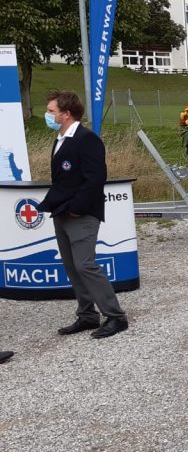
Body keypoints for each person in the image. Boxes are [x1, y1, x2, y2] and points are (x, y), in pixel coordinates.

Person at [37, 91, 129, 340]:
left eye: (51, 111)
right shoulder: (61, 138)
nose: (47, 115)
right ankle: (87, 314)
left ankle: (116, 316)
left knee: (85, 264)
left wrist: (76, 207)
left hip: (81, 213)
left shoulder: (86, 139)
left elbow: (95, 179)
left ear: (66, 114)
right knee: (72, 267)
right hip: (62, 212)